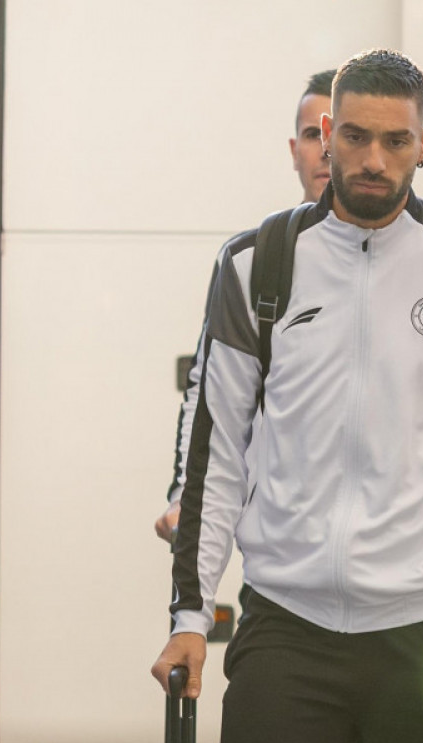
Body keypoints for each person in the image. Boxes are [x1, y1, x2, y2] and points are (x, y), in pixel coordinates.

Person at [150, 50, 423, 743]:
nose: (373, 159)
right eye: (356, 136)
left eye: (396, 141)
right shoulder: (256, 263)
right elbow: (216, 455)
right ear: (326, 134)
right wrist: (190, 617)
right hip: (288, 626)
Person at [155, 68, 336, 543]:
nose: (326, 149)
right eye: (312, 135)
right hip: (281, 547)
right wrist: (188, 495)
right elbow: (210, 393)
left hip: (399, 555)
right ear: (294, 151)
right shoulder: (256, 261)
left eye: (341, 133)